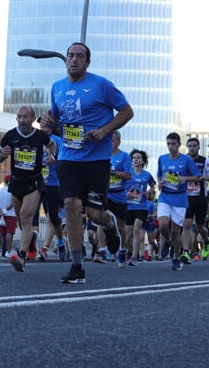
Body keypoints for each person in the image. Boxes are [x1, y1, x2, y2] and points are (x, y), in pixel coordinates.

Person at [40, 42, 134, 284]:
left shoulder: (101, 84)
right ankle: (77, 265)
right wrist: (51, 127)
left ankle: (109, 223)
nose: (74, 59)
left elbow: (126, 111)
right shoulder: (57, 88)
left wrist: (104, 130)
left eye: (80, 56)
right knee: (71, 205)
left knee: (94, 213)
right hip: (68, 158)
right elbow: (58, 123)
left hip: (97, 160)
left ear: (87, 62)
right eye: (71, 55)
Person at [0, 106, 53, 272]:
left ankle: (21, 255)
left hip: (34, 182)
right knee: (22, 223)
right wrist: (1, 155)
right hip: (16, 182)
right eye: (19, 117)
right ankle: (31, 240)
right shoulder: (10, 136)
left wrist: (51, 155)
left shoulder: (40, 136)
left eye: (25, 117)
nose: (21, 120)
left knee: (25, 216)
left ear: (33, 119)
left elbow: (52, 145)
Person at [156, 132, 200, 271]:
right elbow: (159, 175)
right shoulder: (162, 158)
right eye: (168, 143)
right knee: (163, 225)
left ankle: (176, 257)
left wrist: (185, 179)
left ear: (179, 145)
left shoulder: (186, 160)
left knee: (176, 232)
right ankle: (167, 241)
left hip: (180, 198)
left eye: (173, 144)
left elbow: (197, 177)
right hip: (165, 196)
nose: (170, 146)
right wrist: (159, 183)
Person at [38, 123, 66, 262]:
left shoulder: (58, 140)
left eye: (46, 124)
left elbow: (64, 159)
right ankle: (60, 243)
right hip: (39, 183)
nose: (44, 127)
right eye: (41, 125)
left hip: (55, 184)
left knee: (52, 217)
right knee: (52, 219)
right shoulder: (37, 138)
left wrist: (55, 158)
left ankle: (45, 249)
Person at [123, 149, 155, 266]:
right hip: (129, 206)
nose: (135, 160)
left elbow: (153, 186)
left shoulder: (147, 175)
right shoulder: (127, 173)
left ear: (143, 161)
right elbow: (121, 186)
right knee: (128, 235)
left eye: (138, 158)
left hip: (142, 207)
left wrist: (149, 191)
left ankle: (134, 257)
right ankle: (129, 251)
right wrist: (125, 193)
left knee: (137, 230)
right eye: (134, 158)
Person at [105, 131, 133, 265]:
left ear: (119, 142)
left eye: (114, 140)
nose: (111, 143)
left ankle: (122, 249)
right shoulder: (102, 155)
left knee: (121, 226)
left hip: (120, 195)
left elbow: (129, 176)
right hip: (106, 194)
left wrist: (115, 172)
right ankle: (103, 249)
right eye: (109, 140)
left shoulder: (124, 156)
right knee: (102, 220)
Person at [181, 137, 209, 263]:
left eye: (194, 146)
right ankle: (186, 252)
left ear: (198, 147)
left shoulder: (205, 161)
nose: (192, 148)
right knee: (186, 224)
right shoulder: (182, 160)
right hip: (186, 197)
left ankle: (207, 241)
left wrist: (202, 177)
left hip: (201, 197)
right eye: (190, 146)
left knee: (199, 226)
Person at [0, 175, 17, 258]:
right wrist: (6, 209)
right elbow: (14, 202)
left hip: (1, 215)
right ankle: (8, 251)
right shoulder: (13, 191)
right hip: (11, 214)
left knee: (0, 232)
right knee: (9, 233)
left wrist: (0, 211)